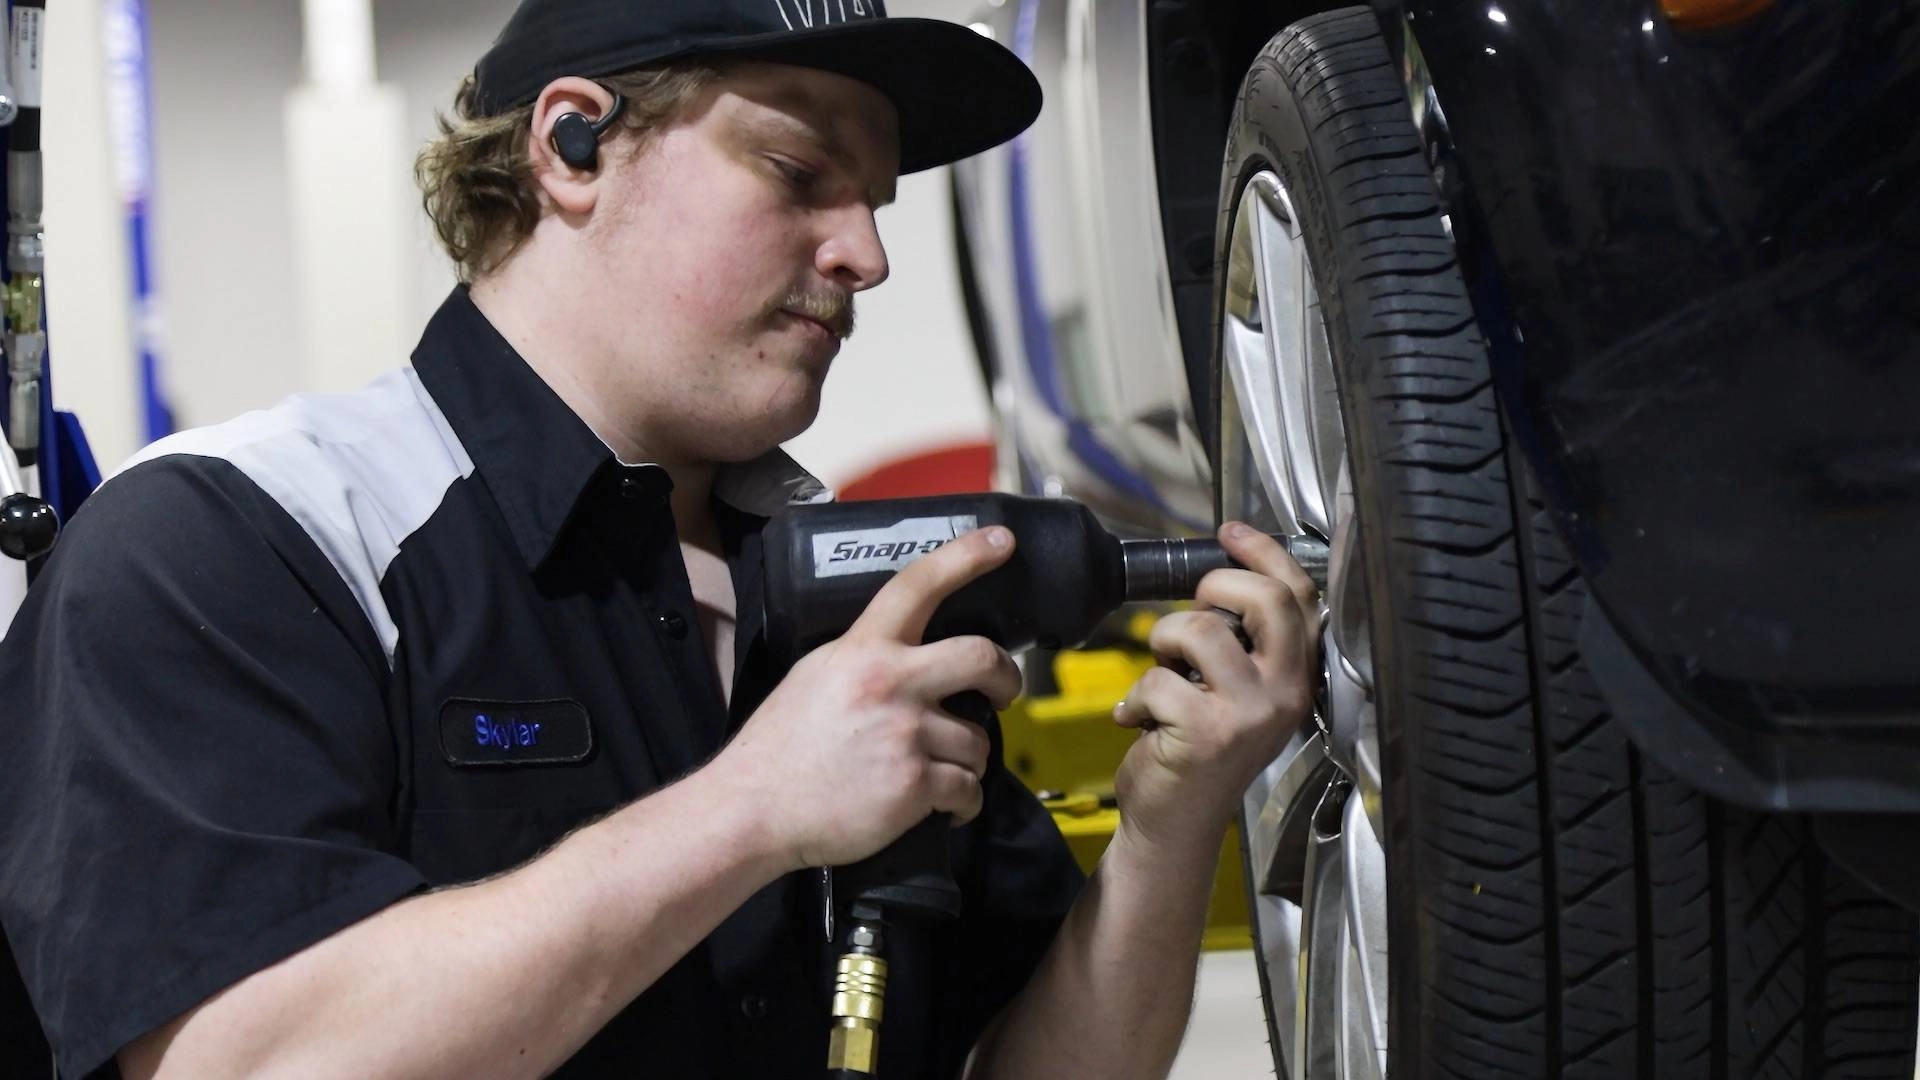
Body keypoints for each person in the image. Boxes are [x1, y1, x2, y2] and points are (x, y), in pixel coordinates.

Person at [0, 2, 1321, 1077]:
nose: (866, 253)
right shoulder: (238, 540)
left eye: (876, 204)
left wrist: (1166, 828)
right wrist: (750, 812)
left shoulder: (846, 589)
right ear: (574, 149)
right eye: (801, 173)